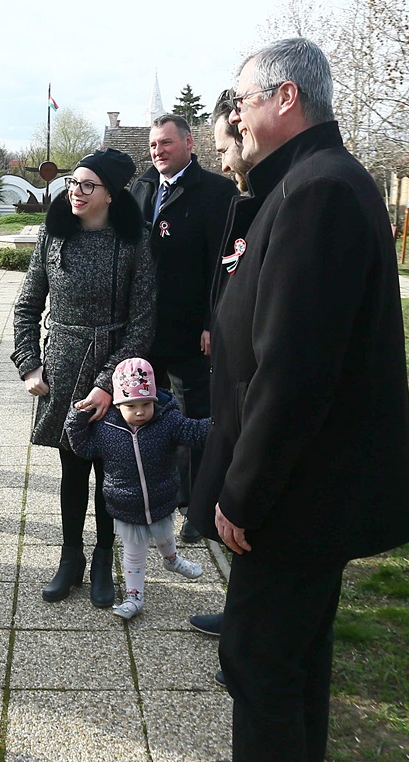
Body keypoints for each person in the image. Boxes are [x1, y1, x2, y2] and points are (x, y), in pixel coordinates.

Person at [174, 39, 409, 762]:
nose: (236, 118)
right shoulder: (303, 181)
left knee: (260, 654)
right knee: (294, 654)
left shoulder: (320, 190)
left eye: (243, 101)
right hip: (307, 481)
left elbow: (296, 368)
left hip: (297, 488)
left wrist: (244, 492)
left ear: (285, 97)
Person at [11, 148, 155, 610]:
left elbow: (142, 324)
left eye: (88, 185)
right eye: (74, 182)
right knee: (71, 468)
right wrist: (30, 365)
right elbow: (27, 306)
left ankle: (102, 558)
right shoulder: (52, 237)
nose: (76, 191)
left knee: (111, 472)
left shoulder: (135, 241)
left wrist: (109, 383)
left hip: (115, 371)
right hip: (61, 370)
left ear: (111, 194)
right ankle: (69, 556)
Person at [127, 115, 238, 546]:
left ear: (189, 143)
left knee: (195, 419)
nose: (158, 151)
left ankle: (199, 506)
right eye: (153, 145)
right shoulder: (141, 189)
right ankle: (162, 494)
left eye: (166, 143)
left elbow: (225, 265)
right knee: (148, 412)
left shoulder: (216, 192)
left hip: (192, 329)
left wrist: (214, 321)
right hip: (145, 328)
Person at [187, 89, 256, 640]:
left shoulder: (262, 198)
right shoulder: (244, 193)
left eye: (223, 147)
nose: (222, 158)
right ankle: (240, 610)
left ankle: (247, 623)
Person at [64, 358, 208, 620]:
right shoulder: (106, 430)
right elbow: (83, 449)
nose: (140, 411)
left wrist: (221, 423)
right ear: (117, 404)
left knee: (165, 536)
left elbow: (195, 432)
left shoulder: (167, 422)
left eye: (146, 404)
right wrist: (77, 418)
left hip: (161, 499)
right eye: (131, 405)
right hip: (126, 506)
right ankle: (134, 596)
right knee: (134, 554)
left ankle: (172, 559)